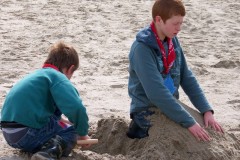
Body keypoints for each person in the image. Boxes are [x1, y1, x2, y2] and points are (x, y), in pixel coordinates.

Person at [126, 0, 224, 141]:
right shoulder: (141, 49)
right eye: (175, 23)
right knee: (188, 135)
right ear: (158, 20)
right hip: (146, 111)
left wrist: (206, 110)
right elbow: (156, 93)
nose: (179, 28)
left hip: (171, 104)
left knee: (206, 128)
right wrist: (189, 122)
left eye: (181, 23)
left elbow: (186, 77)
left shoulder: (172, 39)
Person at [0, 41, 91, 160]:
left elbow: (40, 108)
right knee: (71, 132)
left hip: (9, 134)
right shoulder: (57, 77)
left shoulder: (37, 76)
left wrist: (60, 120)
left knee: (59, 123)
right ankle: (48, 153)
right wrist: (83, 133)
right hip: (28, 133)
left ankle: (38, 148)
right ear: (70, 69)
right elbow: (77, 107)